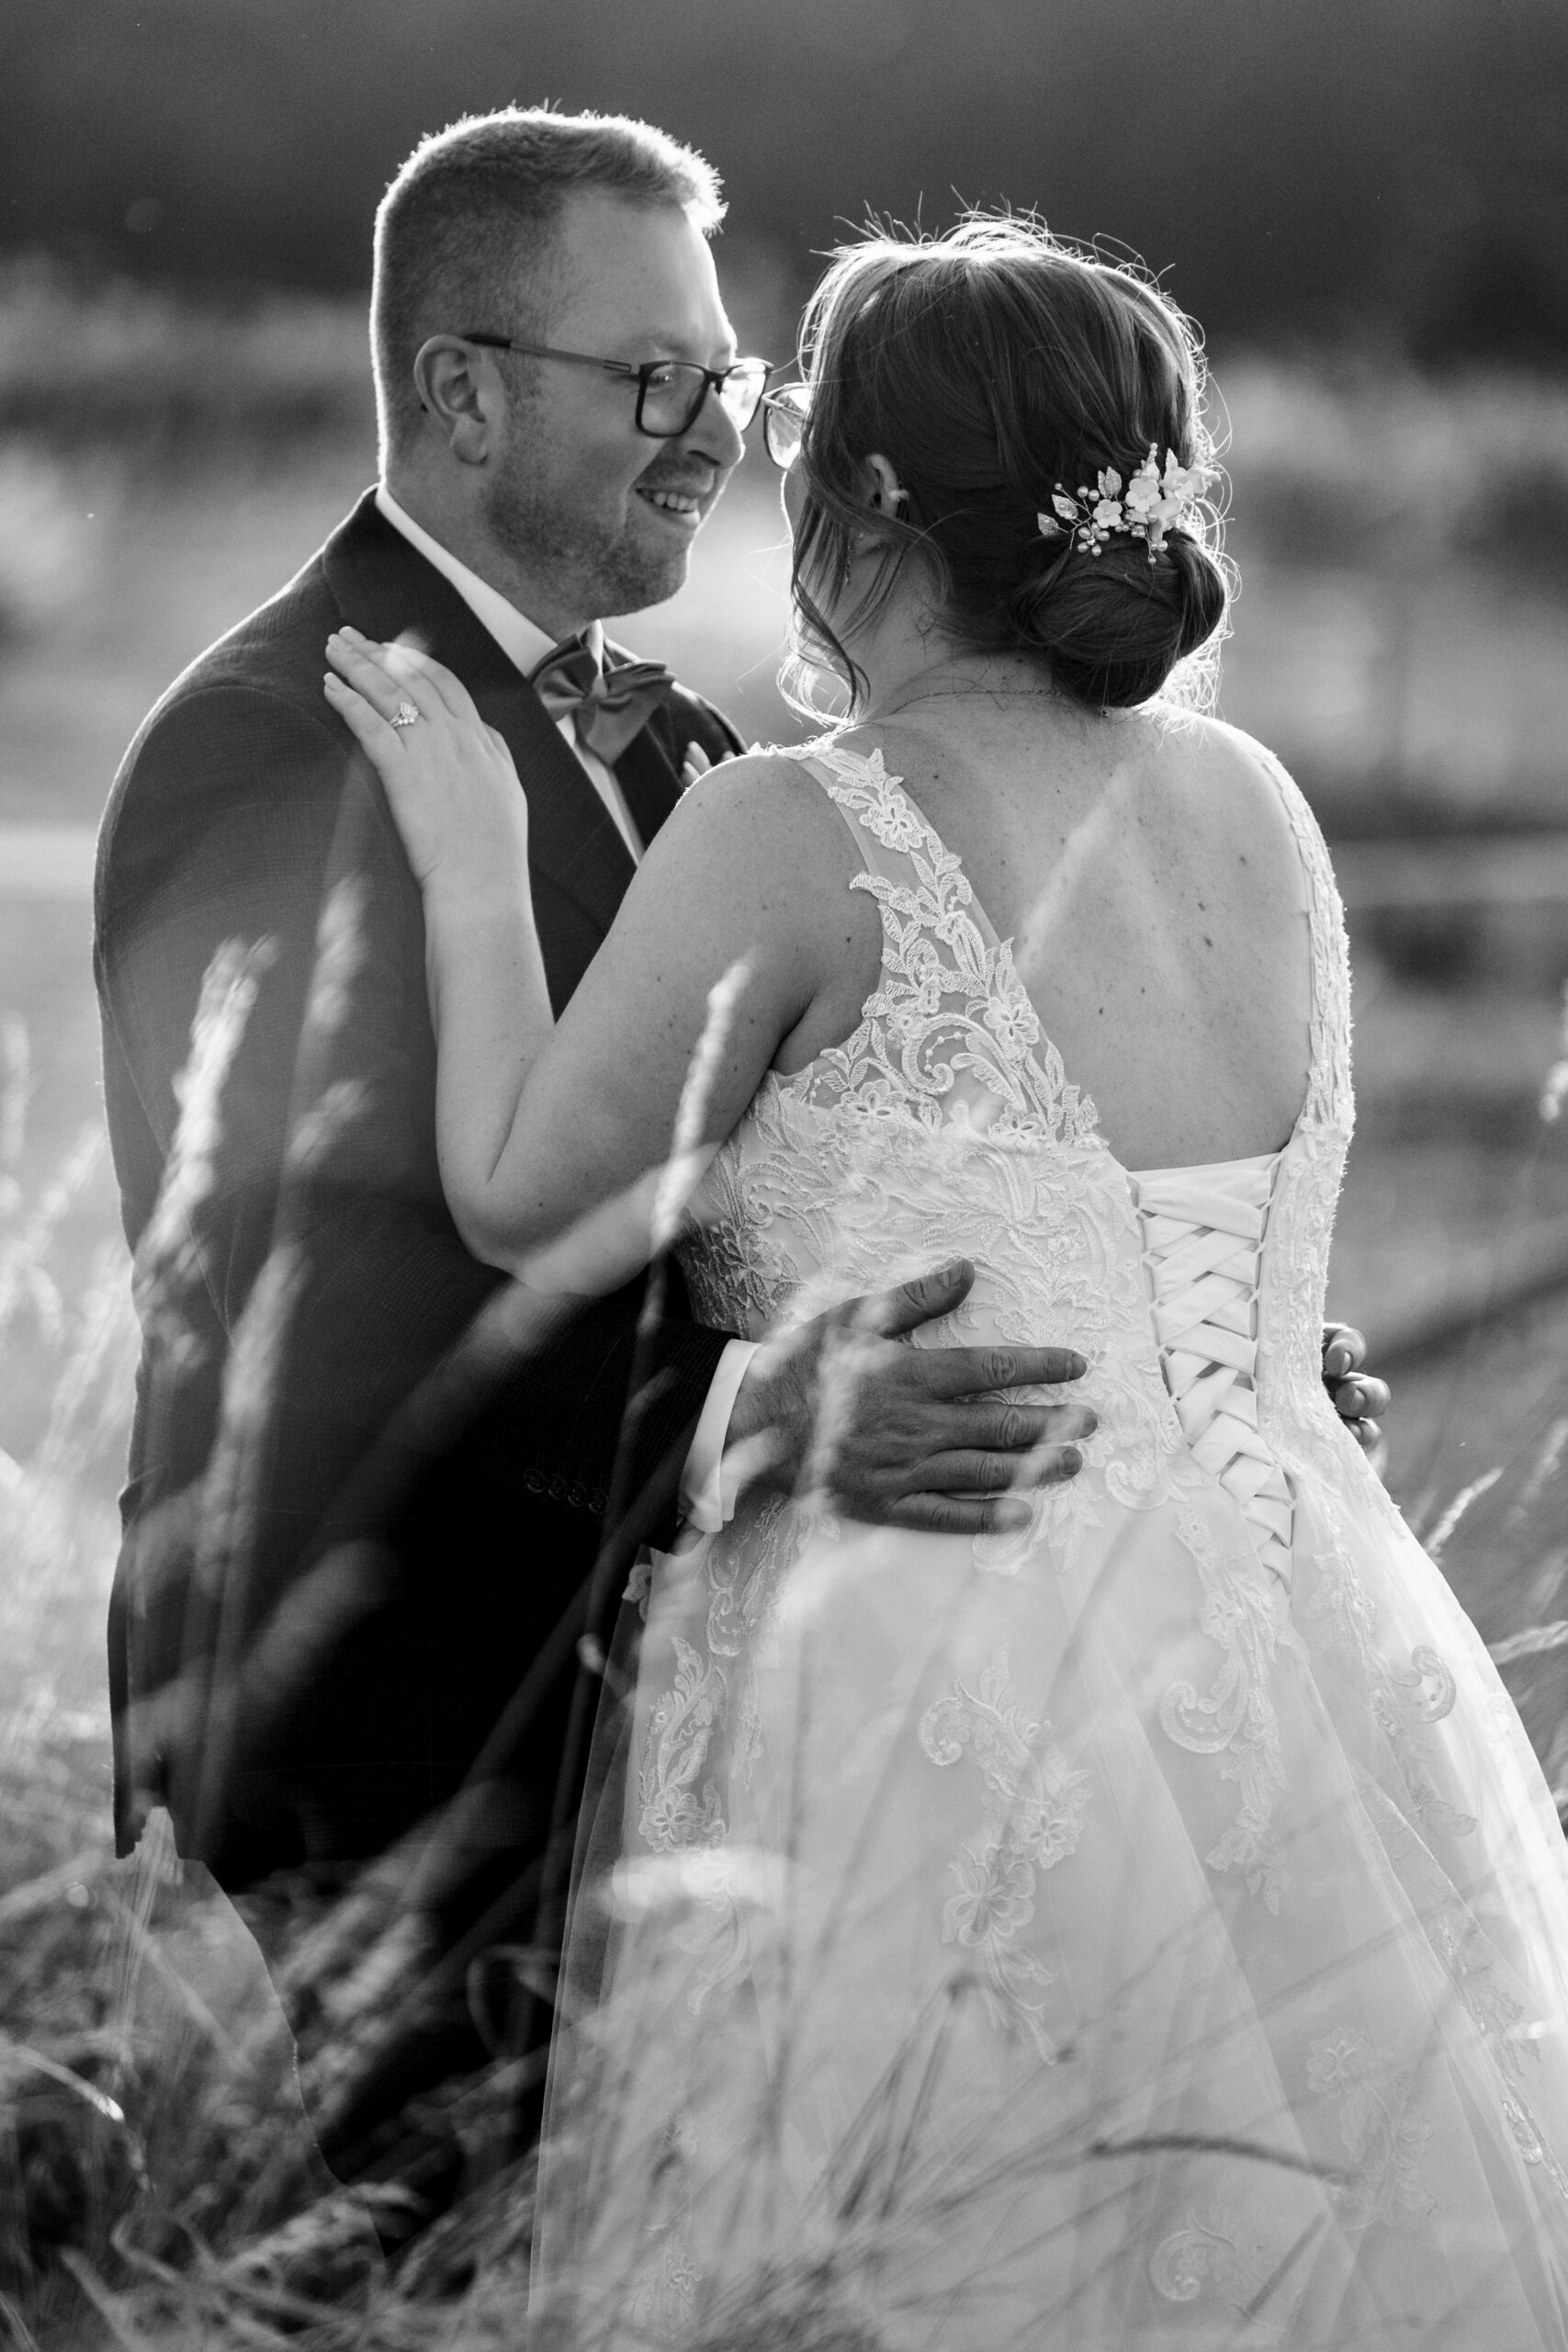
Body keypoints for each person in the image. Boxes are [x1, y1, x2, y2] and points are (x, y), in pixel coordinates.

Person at [327, 212, 1568, 2346]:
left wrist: (462, 867)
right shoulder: (1256, 809)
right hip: (1303, 1633)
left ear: (865, 502)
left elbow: (525, 1199)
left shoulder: (799, 826)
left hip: (923, 1662)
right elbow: (1215, 1248)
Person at [96, 109, 1200, 2215]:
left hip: (685, 1708)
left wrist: (1149, 1344)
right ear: (460, 388)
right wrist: (765, 1419)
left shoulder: (699, 754)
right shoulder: (274, 738)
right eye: (655, 381)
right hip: (399, 1729)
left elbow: (828, 1179)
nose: (715, 434)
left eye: (728, 380)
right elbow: (334, 1297)